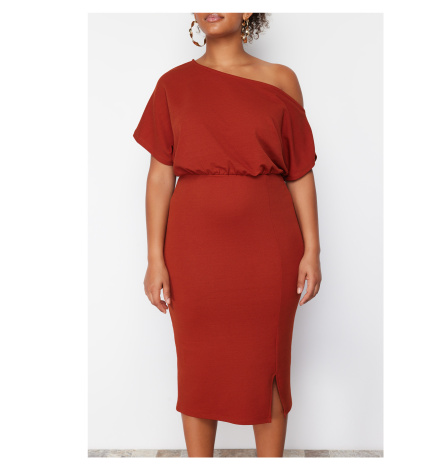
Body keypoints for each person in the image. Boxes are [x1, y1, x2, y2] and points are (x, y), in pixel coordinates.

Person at [133, 12, 322, 458]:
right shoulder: (172, 85)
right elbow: (160, 177)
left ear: (250, 9)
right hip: (193, 250)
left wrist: (313, 250)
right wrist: (155, 258)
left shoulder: (281, 80)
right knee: (198, 366)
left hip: (269, 246)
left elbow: (300, 170)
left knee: (267, 363)